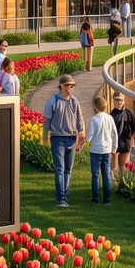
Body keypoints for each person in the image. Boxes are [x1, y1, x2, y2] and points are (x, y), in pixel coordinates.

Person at [42, 74, 85, 208]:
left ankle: (64, 194)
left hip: (71, 139)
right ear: (61, 86)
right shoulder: (53, 101)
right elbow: (46, 121)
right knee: (60, 169)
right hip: (57, 138)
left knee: (68, 169)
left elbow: (79, 119)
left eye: (72, 85)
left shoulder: (74, 102)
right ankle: (61, 198)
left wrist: (82, 133)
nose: (70, 88)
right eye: (67, 85)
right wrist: (44, 138)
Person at [87, 93, 117, 205]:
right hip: (107, 149)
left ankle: (95, 198)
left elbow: (90, 135)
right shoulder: (110, 118)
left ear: (95, 106)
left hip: (95, 149)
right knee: (106, 173)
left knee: (95, 174)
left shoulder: (94, 119)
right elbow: (115, 134)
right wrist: (114, 147)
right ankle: (107, 199)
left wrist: (83, 141)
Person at [110, 90, 135, 179]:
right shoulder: (111, 114)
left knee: (123, 167)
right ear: (113, 100)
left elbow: (134, 128)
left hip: (125, 142)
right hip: (114, 142)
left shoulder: (129, 114)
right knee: (111, 166)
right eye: (117, 100)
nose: (119, 102)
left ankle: (122, 184)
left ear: (124, 101)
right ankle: (109, 183)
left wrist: (132, 142)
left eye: (121, 100)